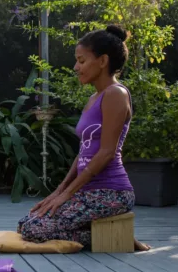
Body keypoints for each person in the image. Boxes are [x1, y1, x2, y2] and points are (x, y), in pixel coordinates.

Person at [17, 24, 150, 252]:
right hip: (88, 191)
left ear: (103, 61)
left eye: (81, 60)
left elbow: (106, 152)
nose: (76, 67)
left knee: (34, 230)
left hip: (111, 192)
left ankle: (119, 236)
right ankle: (113, 234)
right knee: (26, 223)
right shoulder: (93, 98)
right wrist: (57, 192)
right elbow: (84, 153)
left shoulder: (116, 94)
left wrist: (68, 194)